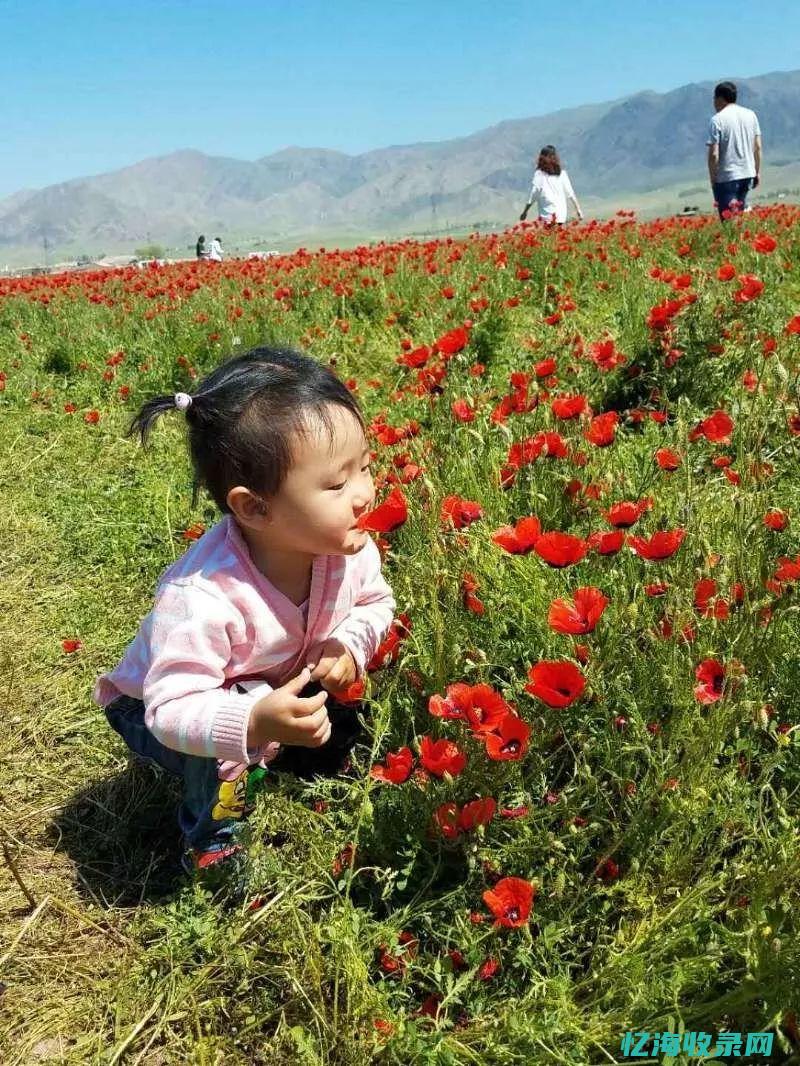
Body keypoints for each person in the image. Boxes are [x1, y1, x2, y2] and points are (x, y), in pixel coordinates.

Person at [93, 345, 396, 890]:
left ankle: (285, 747)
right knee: (225, 754)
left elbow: (376, 604)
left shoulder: (348, 551)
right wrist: (252, 723)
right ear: (254, 507)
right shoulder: (204, 596)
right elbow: (173, 709)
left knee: (337, 722)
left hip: (258, 683)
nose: (363, 495)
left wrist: (348, 644)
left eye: (366, 468)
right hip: (157, 706)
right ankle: (212, 843)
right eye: (336, 484)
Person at [706, 81, 762, 220]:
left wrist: (713, 178)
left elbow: (714, 154)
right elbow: (758, 147)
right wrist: (757, 171)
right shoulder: (751, 115)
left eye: (714, 99)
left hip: (727, 177)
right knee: (741, 218)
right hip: (747, 173)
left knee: (729, 222)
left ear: (719, 99)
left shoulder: (717, 120)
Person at [520, 145, 583, 225]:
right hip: (561, 213)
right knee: (558, 234)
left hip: (547, 213)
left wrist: (525, 211)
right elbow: (570, 193)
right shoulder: (562, 173)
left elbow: (534, 193)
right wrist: (578, 210)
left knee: (549, 234)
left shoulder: (539, 174)